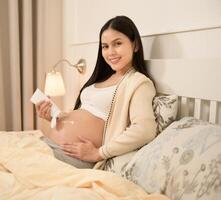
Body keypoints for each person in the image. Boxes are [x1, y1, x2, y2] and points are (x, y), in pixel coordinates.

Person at [35, 15, 157, 169]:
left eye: (117, 43)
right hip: (49, 144)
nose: (110, 52)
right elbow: (86, 113)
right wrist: (53, 116)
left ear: (135, 45)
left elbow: (144, 130)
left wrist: (99, 153)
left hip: (73, 157)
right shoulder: (101, 78)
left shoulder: (138, 83)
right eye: (105, 46)